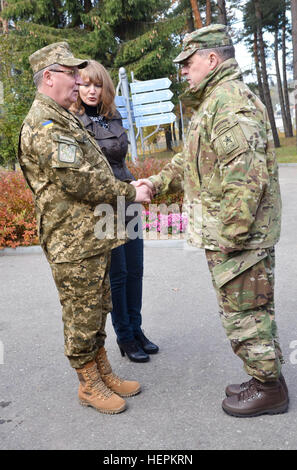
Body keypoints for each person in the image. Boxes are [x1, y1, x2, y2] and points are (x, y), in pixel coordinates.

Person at [135, 24, 289, 418]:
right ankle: (263, 376)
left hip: (239, 237)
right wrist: (156, 181)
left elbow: (246, 179)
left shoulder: (229, 102)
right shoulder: (214, 102)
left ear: (211, 59)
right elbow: (191, 158)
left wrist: (231, 236)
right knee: (247, 310)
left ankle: (269, 390)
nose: (183, 71)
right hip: (229, 232)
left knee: (246, 315)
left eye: (188, 63)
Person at [18, 42, 153, 415]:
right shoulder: (45, 125)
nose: (79, 82)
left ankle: (102, 370)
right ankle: (88, 384)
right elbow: (82, 181)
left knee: (96, 308)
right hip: (70, 240)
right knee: (81, 314)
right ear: (49, 77)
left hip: (88, 235)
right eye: (71, 74)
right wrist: (131, 192)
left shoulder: (62, 117)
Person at [70, 60, 159, 362]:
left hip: (129, 200)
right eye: (85, 84)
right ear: (77, 87)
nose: (91, 91)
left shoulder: (113, 115)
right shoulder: (74, 122)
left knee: (135, 269)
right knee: (117, 273)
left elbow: (120, 160)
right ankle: (124, 335)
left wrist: (137, 183)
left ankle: (136, 328)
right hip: (104, 205)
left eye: (97, 85)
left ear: (105, 87)